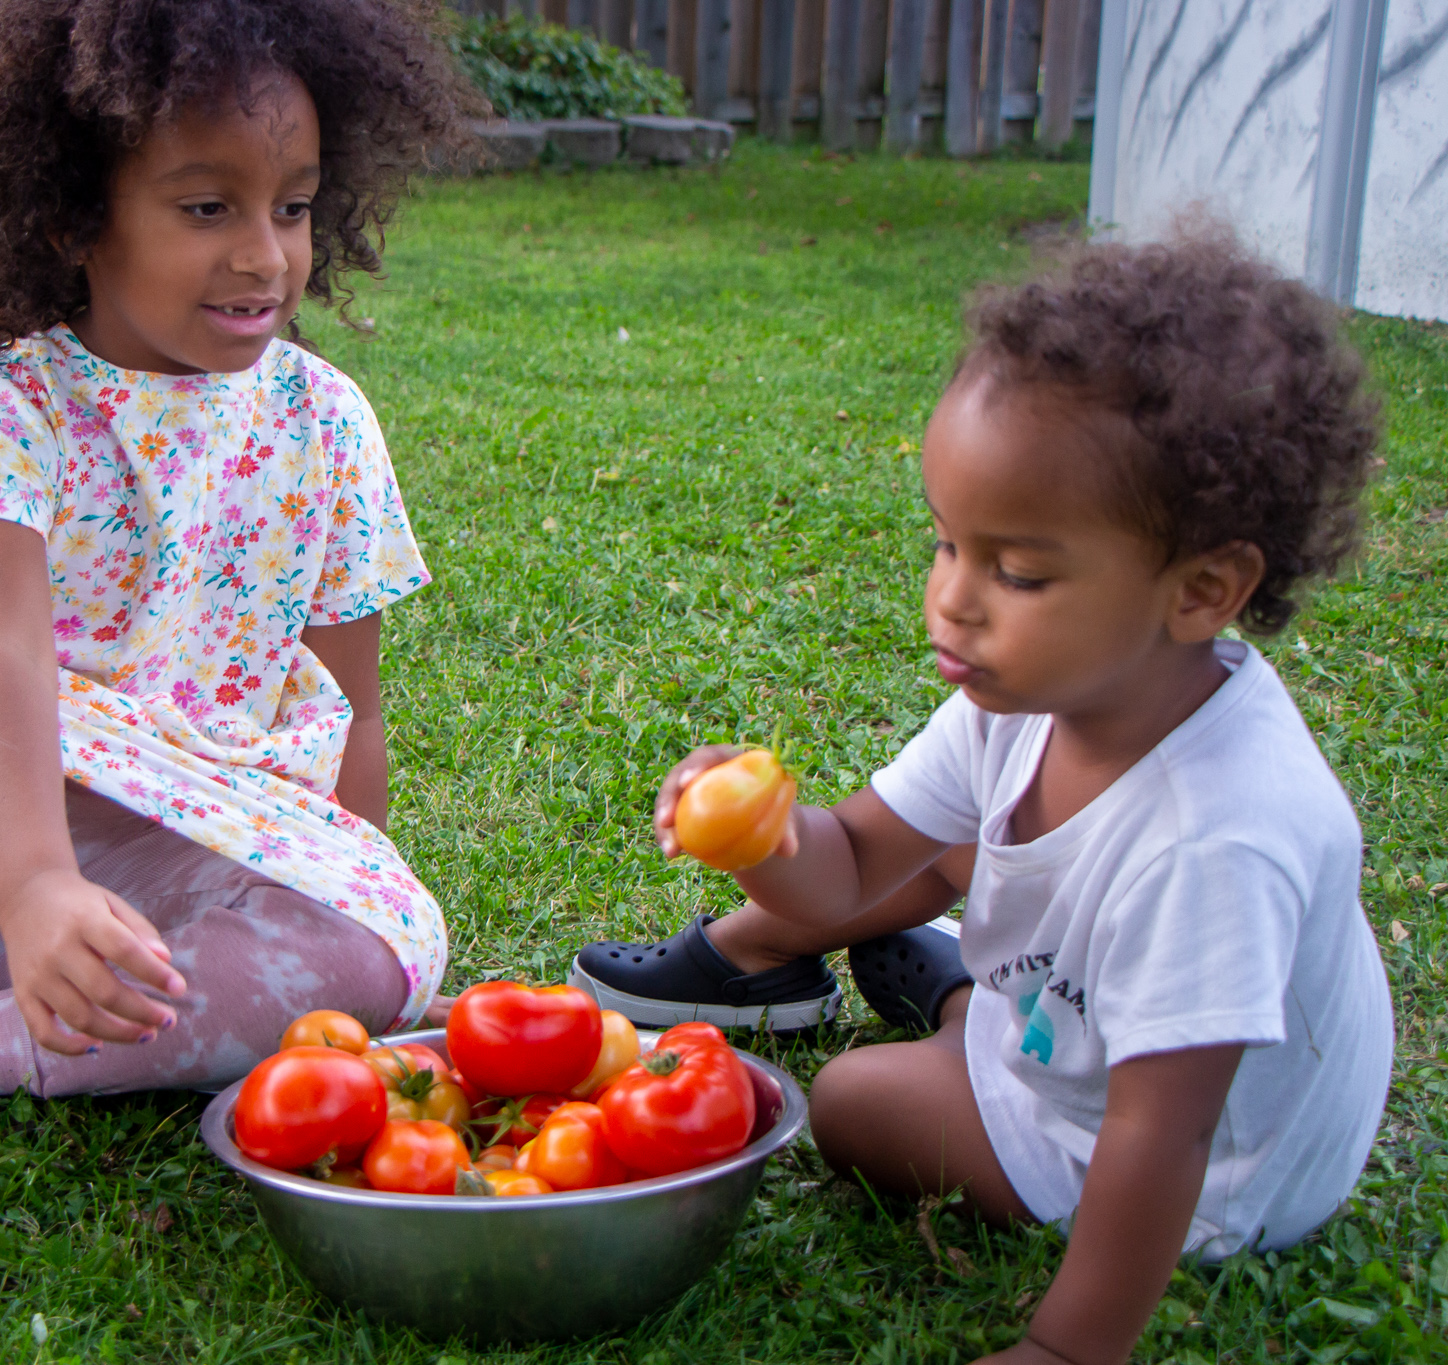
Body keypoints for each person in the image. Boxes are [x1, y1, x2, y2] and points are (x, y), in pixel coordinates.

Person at [0, 3, 473, 1360]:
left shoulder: (327, 421)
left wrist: (352, 893)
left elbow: (349, 714)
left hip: (150, 902)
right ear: (70, 214)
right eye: (205, 206)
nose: (264, 255)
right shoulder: (9, 416)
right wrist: (36, 884)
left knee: (391, 945)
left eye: (292, 207)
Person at [571, 233, 1393, 1364]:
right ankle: (980, 1008)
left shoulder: (1218, 836)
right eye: (946, 544)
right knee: (943, 911)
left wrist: (1068, 1346)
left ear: (1201, 589)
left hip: (1215, 1169)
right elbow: (851, 867)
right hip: (1104, 1044)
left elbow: (1167, 1131)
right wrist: (763, 837)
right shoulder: (1021, 699)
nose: (951, 601)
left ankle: (973, 1012)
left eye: (1016, 572)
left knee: (853, 1103)